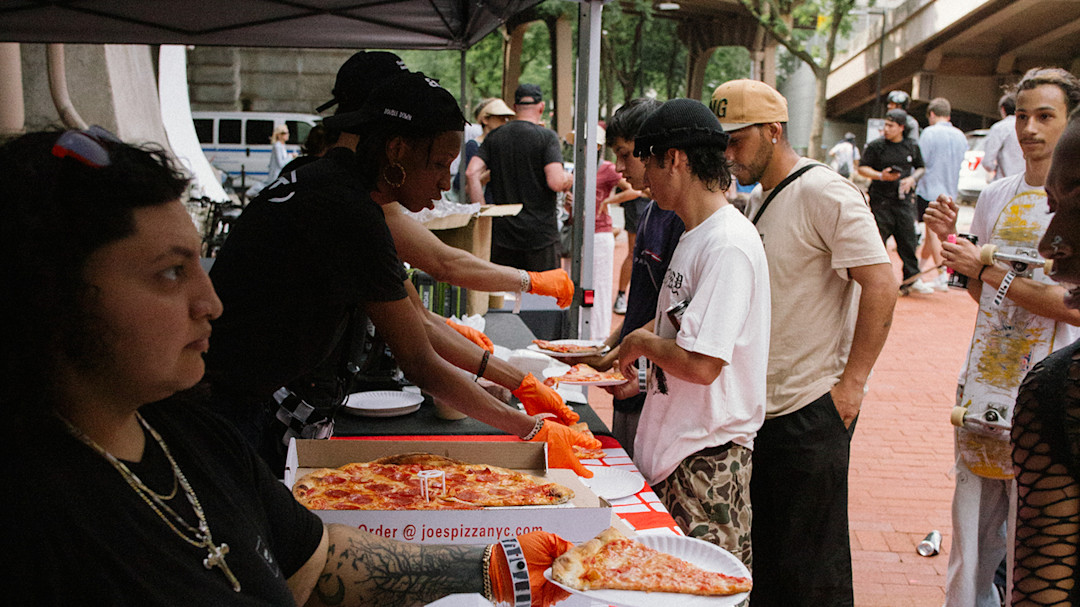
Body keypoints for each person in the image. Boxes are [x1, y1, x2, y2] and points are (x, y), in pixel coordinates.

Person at [0, 127, 573, 607]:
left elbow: (318, 565)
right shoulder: (33, 520)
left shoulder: (194, 438)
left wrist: (494, 566)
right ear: (50, 292)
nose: (212, 304)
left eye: (199, 264)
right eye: (171, 273)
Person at [205, 71, 597, 475]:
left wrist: (520, 384)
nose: (446, 183)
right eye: (439, 164)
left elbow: (419, 320)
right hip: (236, 415)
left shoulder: (326, 181)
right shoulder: (350, 213)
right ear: (396, 149)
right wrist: (531, 429)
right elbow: (420, 360)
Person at [711, 78, 898, 606]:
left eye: (737, 140)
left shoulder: (824, 191)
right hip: (763, 412)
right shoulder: (760, 197)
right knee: (772, 560)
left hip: (811, 407)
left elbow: (881, 283)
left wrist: (852, 385)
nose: (728, 154)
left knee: (812, 570)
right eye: (721, 141)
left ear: (774, 130)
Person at [925, 66, 1080, 607]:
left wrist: (990, 271)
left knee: (1035, 545)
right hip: (984, 392)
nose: (1030, 128)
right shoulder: (994, 197)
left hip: (1049, 401)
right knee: (969, 545)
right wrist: (954, 249)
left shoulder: (1075, 203)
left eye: (1046, 116)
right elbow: (987, 300)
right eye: (1021, 115)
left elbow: (1073, 308)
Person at [607, 98, 771, 568]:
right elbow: (681, 335)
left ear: (673, 159)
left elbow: (702, 365)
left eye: (645, 159)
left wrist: (637, 344)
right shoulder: (695, 234)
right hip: (678, 452)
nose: (639, 174)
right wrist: (639, 370)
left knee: (703, 588)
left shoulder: (727, 245)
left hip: (705, 461)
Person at [580, 97, 684, 455]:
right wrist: (605, 349)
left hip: (654, 393)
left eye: (626, 154)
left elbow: (677, 318)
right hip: (632, 384)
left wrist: (637, 373)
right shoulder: (652, 210)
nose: (619, 167)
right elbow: (643, 311)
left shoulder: (683, 222)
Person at [1011, 106, 1080, 607]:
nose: (1049, 243)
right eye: (1050, 204)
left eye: (1074, 202)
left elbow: (1043, 592)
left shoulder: (1060, 391)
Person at [465, 83, 573, 271]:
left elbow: (471, 172)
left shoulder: (495, 137)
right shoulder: (547, 137)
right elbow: (555, 182)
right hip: (541, 238)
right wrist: (568, 179)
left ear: (514, 108)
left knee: (502, 297)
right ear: (541, 107)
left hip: (502, 237)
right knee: (542, 297)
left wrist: (483, 212)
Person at [858, 108, 929, 295]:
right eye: (885, 125)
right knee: (877, 242)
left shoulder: (912, 146)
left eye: (891, 125)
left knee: (908, 240)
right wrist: (881, 176)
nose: (886, 129)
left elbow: (921, 167)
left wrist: (912, 179)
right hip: (881, 201)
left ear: (901, 127)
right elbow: (862, 168)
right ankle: (872, 280)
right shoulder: (876, 146)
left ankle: (911, 279)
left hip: (904, 201)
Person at [915, 97, 968, 292]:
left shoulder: (929, 133)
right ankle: (919, 270)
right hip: (950, 188)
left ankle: (942, 276)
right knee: (932, 234)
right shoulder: (961, 136)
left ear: (931, 114)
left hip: (929, 189)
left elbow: (922, 162)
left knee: (933, 233)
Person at [452, 97, 515, 202]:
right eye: (500, 118)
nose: (504, 123)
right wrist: (485, 177)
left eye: (506, 119)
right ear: (485, 120)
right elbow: (459, 184)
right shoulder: (473, 146)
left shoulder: (502, 146)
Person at [983, 92, 1025, 181]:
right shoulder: (1027, 126)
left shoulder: (999, 128)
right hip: (1025, 182)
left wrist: (993, 168)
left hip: (1004, 181)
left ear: (1003, 109)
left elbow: (987, 162)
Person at [246, 124, 294, 199]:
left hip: (279, 173)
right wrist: (290, 156)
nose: (287, 135)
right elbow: (281, 163)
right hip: (276, 173)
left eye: (287, 133)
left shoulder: (282, 146)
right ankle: (250, 192)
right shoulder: (277, 146)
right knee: (268, 186)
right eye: (285, 133)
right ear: (279, 135)